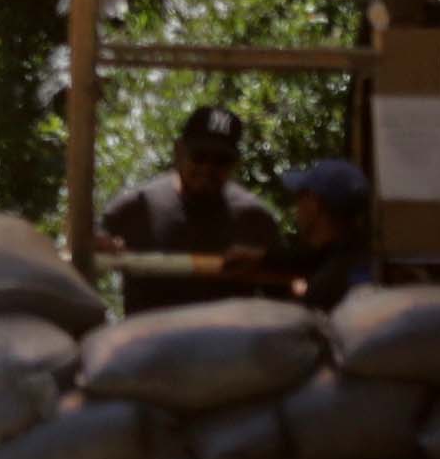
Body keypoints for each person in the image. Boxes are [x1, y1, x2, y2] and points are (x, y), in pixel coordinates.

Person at [99, 102, 283, 316]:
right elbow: (87, 242)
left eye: (220, 161)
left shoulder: (254, 219)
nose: (208, 168)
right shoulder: (137, 208)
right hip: (151, 341)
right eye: (200, 156)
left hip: (226, 342)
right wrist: (101, 244)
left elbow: (283, 294)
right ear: (179, 151)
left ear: (235, 163)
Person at [272, 158, 377, 312]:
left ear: (314, 204)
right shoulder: (361, 259)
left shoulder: (327, 287)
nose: (297, 209)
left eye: (300, 198)